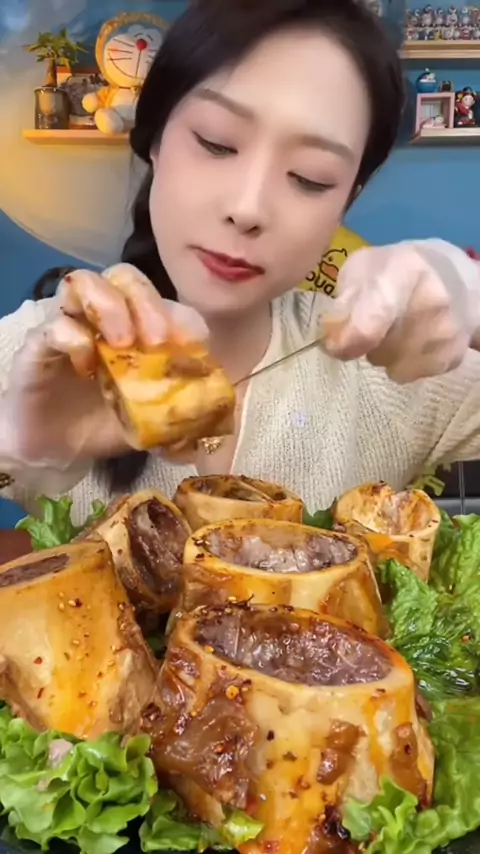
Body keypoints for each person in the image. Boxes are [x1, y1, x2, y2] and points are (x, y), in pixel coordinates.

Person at [1, 0, 480, 520]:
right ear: (155, 140)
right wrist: (16, 449)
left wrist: (471, 296)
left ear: (347, 200)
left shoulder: (386, 372)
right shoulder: (30, 355)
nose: (248, 208)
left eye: (310, 177)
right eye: (216, 143)